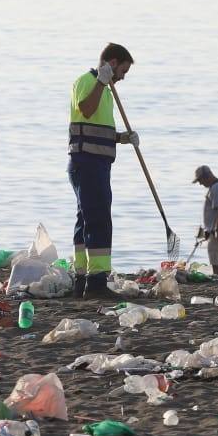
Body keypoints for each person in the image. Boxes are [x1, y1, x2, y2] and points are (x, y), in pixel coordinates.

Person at [68, 43, 137, 299]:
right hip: (86, 163)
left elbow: (95, 128)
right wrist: (101, 82)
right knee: (98, 220)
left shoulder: (107, 91)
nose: (122, 77)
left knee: (85, 219)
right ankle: (95, 282)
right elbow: (85, 109)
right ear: (112, 62)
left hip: (96, 163)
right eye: (122, 70)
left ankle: (82, 279)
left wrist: (122, 138)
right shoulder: (87, 82)